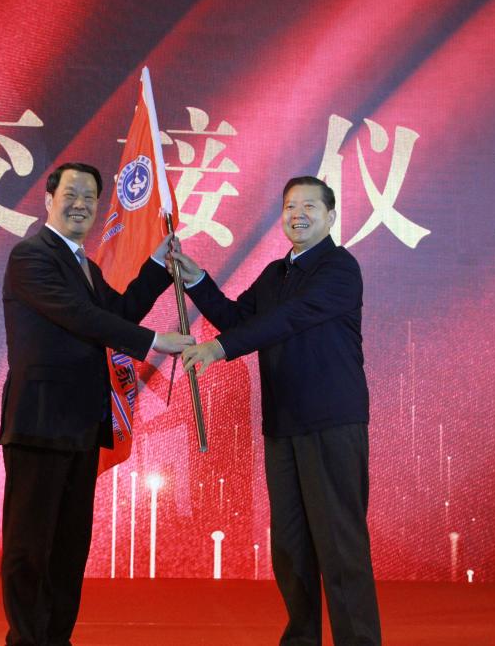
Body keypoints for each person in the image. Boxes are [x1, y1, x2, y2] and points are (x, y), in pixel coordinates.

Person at [176, 176, 381, 645]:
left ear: (331, 216)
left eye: (310, 206)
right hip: (283, 424)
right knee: (290, 547)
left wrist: (220, 349)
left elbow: (289, 319)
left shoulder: (340, 268)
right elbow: (238, 319)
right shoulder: (274, 274)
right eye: (290, 206)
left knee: (339, 544)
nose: (298, 215)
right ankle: (301, 639)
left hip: (331, 421)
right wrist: (197, 281)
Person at [0, 162, 193, 646]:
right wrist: (155, 342)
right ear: (49, 199)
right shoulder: (30, 256)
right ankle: (26, 640)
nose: (81, 204)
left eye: (90, 196)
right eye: (71, 194)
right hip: (39, 423)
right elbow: (81, 317)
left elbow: (118, 312)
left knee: (69, 547)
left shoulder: (84, 265)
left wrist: (158, 266)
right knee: (30, 545)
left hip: (83, 423)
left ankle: (56, 638)